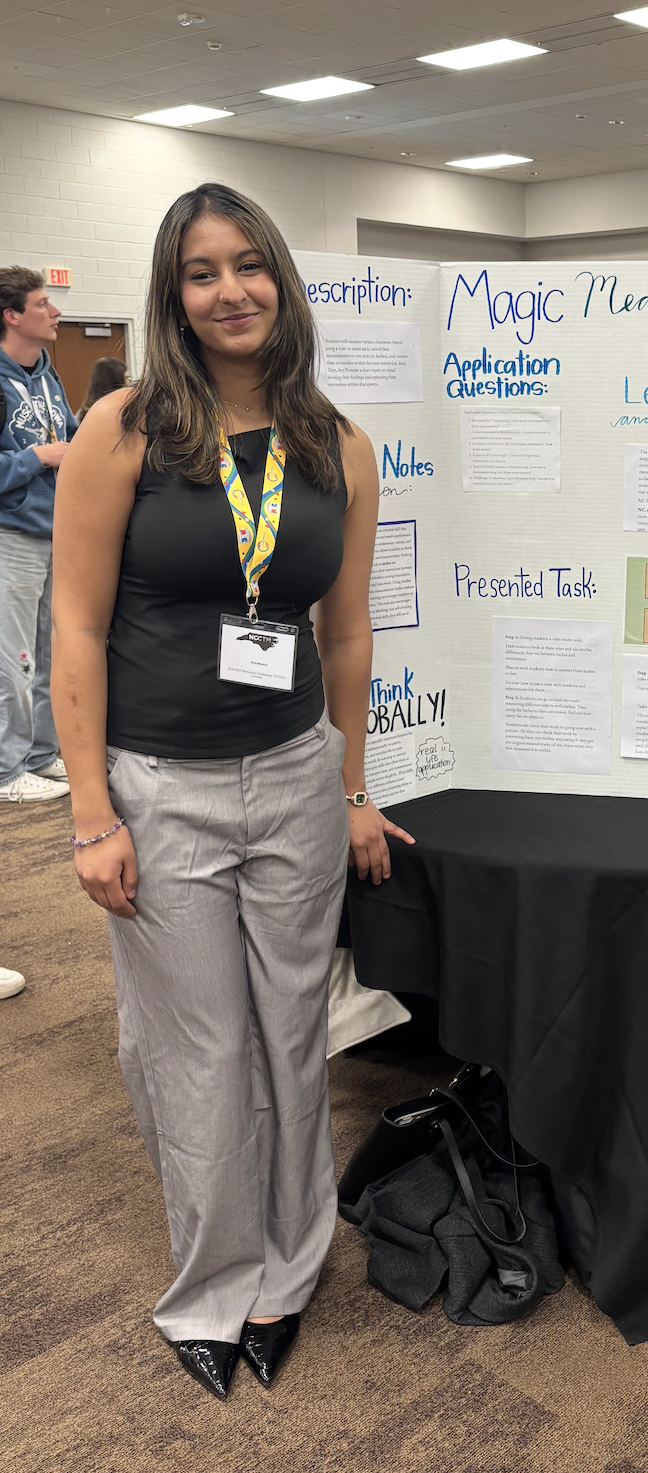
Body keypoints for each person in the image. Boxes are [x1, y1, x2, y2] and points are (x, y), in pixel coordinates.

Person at [51, 182, 413, 1402]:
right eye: (201, 273)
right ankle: (212, 1283)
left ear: (282, 280)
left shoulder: (338, 444)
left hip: (300, 777)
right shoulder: (125, 429)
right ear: (173, 296)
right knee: (195, 1050)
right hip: (163, 788)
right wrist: (92, 812)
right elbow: (75, 626)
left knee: (292, 1038)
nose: (230, 291)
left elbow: (348, 631)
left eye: (249, 265)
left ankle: (289, 1271)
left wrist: (356, 783)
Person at [0, 266, 75, 805]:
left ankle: (41, 754)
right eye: (44, 303)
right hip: (12, 538)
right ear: (11, 316)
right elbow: (43, 453)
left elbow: (72, 438)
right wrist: (36, 458)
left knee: (51, 655)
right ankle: (6, 771)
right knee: (13, 659)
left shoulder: (48, 377)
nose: (55, 312)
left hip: (57, 536)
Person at [77, 355, 127, 423]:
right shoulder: (117, 416)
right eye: (128, 378)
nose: (129, 384)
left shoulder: (84, 413)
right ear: (117, 383)